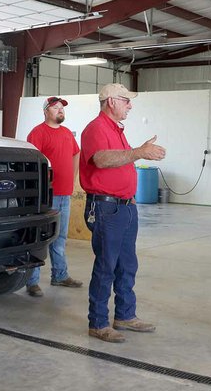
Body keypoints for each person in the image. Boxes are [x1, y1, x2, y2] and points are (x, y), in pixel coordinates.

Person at [79, 83, 165, 343]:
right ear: (111, 102)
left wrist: (136, 150)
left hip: (125, 207)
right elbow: (101, 160)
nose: (130, 105)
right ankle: (98, 322)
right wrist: (139, 152)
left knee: (127, 264)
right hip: (106, 208)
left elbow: (119, 158)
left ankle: (125, 315)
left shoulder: (116, 129)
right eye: (126, 100)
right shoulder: (96, 128)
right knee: (106, 264)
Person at [24, 96, 83, 297]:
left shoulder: (67, 133)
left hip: (64, 194)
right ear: (46, 111)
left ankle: (60, 275)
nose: (60, 110)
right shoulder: (38, 133)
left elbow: (77, 153)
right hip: (45, 196)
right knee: (40, 238)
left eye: (62, 108)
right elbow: (31, 161)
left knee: (60, 237)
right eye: (56, 107)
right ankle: (31, 281)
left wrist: (73, 177)